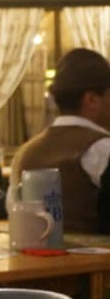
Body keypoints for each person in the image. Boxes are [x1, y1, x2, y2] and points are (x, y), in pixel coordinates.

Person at [11, 48, 110, 233]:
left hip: (33, 259)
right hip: (96, 261)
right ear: (92, 100)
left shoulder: (25, 152)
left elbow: (13, 211)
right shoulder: (102, 148)